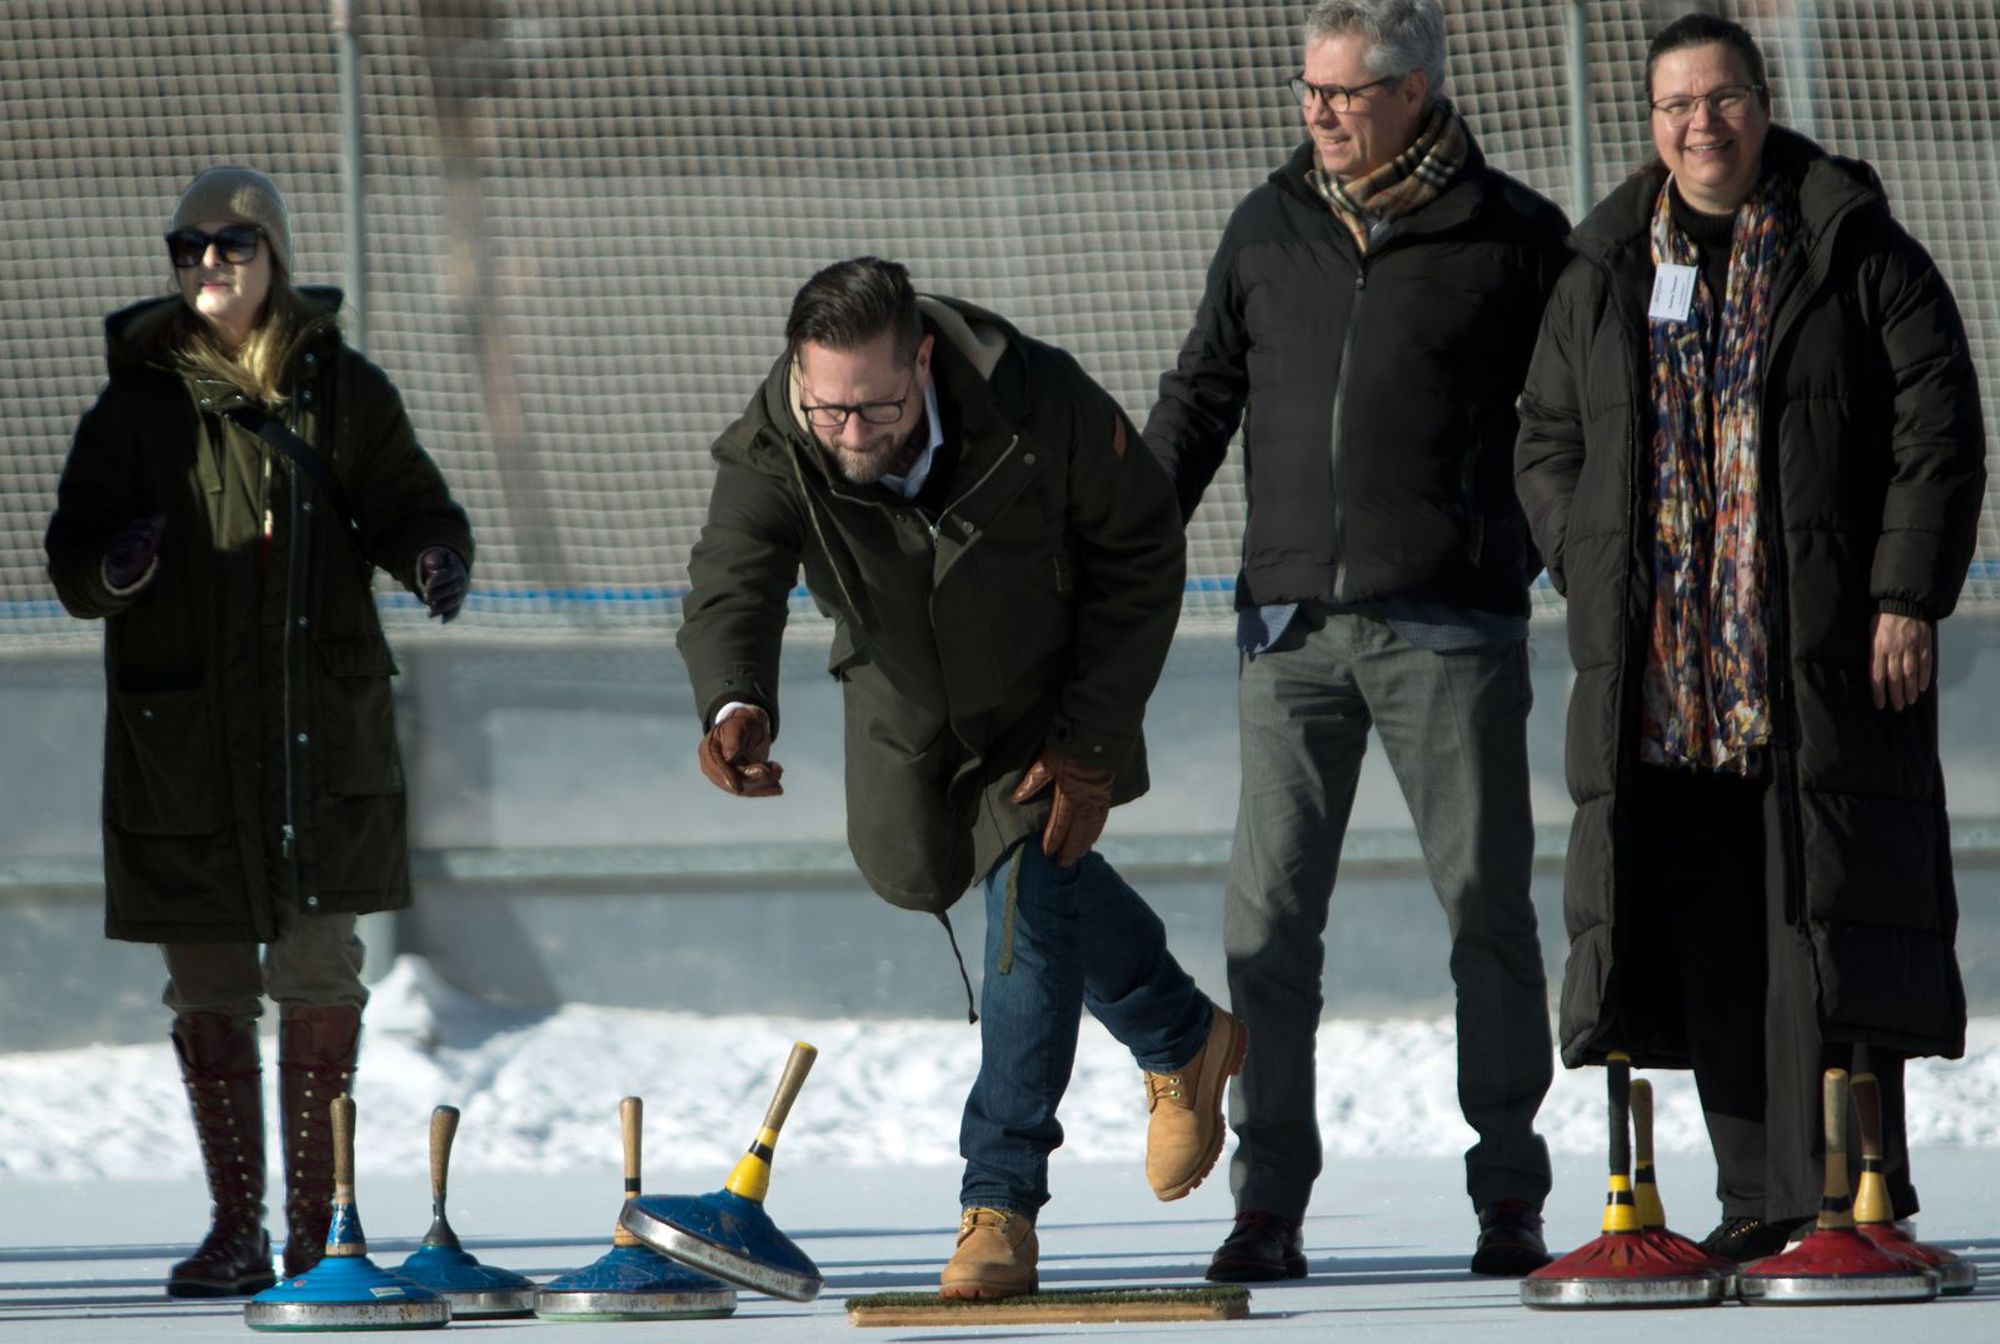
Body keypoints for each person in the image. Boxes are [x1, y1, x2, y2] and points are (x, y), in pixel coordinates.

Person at [677, 256, 1244, 1300]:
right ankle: (1181, 1033)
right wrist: (733, 700)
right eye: (828, 407)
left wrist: (1092, 739)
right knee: (923, 865)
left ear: (923, 362)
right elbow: (732, 577)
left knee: (1028, 892)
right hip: (905, 697)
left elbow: (1141, 549)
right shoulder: (778, 439)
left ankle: (1000, 1201)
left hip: (1045, 691)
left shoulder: (1039, 401)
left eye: (876, 407)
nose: (850, 430)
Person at [1515, 12, 1985, 1262]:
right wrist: (1588, 563)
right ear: (1649, 123)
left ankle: (1850, 1195)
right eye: (1674, 105)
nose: (1699, 125)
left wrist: (1902, 596)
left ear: (1761, 106)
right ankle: (1750, 1199)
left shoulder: (1852, 247)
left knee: (1825, 914)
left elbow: (1936, 426)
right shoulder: (1604, 268)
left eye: (1720, 98)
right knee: (1710, 925)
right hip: (1666, 675)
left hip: (1822, 654)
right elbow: (1544, 440)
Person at [1144, 0, 1569, 1280]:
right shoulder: (1265, 224)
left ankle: (1508, 1196)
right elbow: (1199, 394)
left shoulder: (1512, 234)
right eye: (1308, 88)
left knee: (1486, 915)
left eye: (1344, 90)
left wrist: (1513, 552)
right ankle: (1266, 1205)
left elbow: (1574, 421)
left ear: (1414, 92)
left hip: (1450, 629)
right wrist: (1122, 544)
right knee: (1266, 928)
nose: (1318, 111)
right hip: (1286, 634)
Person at [45, 166, 474, 1296]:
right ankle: (234, 1228)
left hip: (315, 741)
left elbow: (409, 503)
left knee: (321, 971)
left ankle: (316, 1234)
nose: (209, 265)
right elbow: (72, 559)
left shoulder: (344, 391)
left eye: (232, 245)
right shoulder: (136, 408)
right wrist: (114, 565)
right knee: (207, 982)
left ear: (274, 255)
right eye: (188, 247)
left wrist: (432, 554)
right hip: (184, 745)